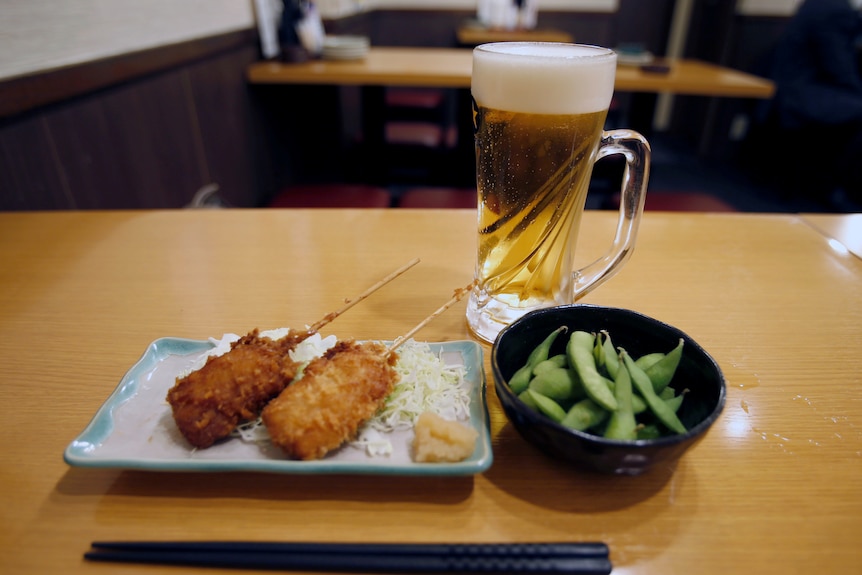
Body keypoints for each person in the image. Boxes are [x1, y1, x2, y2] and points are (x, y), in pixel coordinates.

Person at [769, 0, 862, 209]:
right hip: (804, 91)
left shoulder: (816, 4)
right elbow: (838, 65)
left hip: (790, 86)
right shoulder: (835, 10)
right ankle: (836, 188)